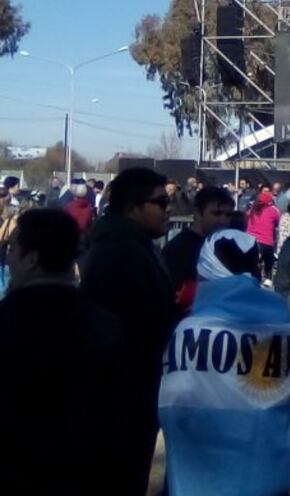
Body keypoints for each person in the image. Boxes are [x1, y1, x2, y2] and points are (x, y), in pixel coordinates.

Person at [159, 229, 290, 496]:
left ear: (205, 271)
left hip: (197, 477)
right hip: (265, 473)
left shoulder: (187, 330)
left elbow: (173, 410)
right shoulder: (281, 322)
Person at [0, 209, 125, 494]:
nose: (8, 259)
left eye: (12, 250)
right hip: (86, 472)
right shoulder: (105, 326)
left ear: (31, 259)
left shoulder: (8, 323)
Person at [79, 166, 177, 495]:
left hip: (134, 394)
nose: (168, 210)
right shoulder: (120, 252)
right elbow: (122, 330)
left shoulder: (136, 245)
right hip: (122, 400)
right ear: (133, 208)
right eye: (161, 203)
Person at [162, 186, 235, 312]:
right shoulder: (178, 249)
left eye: (228, 215)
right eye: (216, 213)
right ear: (197, 213)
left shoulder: (227, 247)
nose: (223, 220)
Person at [247, 190, 281, 282]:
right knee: (268, 263)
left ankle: (254, 281)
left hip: (250, 241)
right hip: (266, 241)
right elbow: (278, 222)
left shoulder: (252, 209)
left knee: (253, 265)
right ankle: (268, 279)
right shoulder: (273, 210)